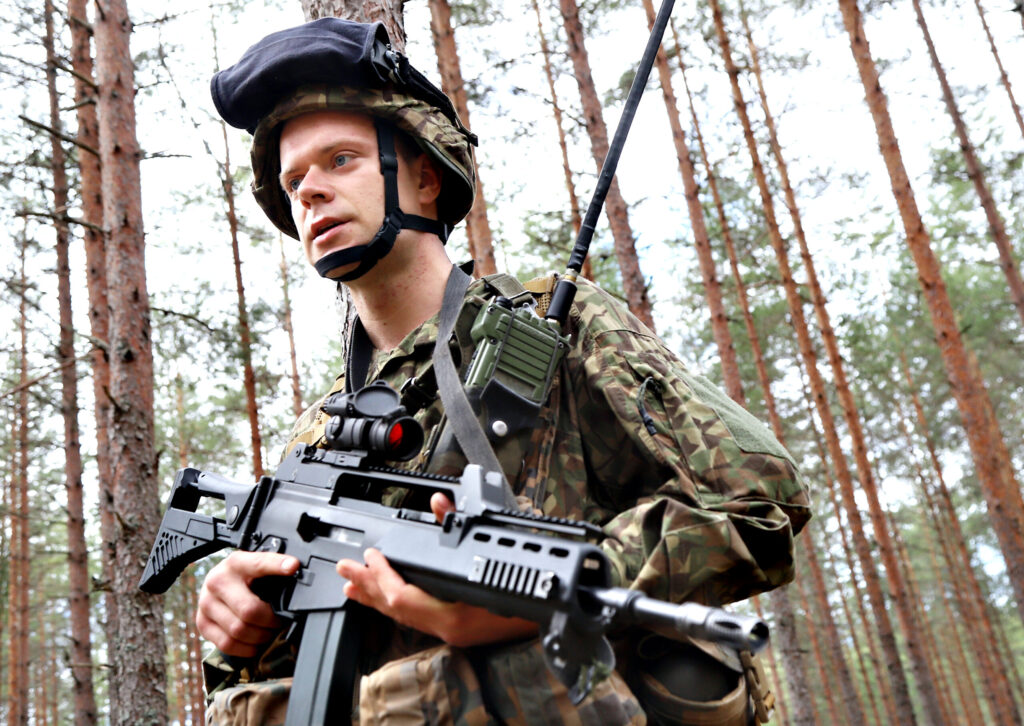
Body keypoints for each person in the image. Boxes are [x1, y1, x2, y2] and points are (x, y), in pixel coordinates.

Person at [196, 17, 810, 726]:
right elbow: (295, 668)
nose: (309, 192)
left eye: (340, 161)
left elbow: (758, 500)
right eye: (293, 178)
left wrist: (554, 589)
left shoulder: (550, 327)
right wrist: (241, 621)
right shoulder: (320, 434)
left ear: (426, 178)